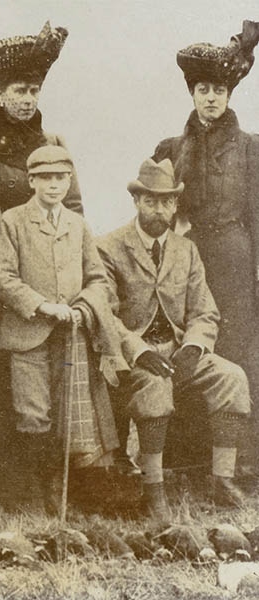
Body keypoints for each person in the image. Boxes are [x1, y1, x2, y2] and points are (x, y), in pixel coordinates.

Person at [97, 158, 250, 519]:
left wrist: (195, 346)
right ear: (136, 201)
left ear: (176, 205)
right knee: (154, 389)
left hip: (180, 350)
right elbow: (106, 313)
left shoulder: (186, 249)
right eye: (151, 201)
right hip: (132, 356)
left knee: (232, 377)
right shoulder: (109, 246)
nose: (159, 209)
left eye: (167, 201)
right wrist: (138, 350)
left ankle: (220, 480)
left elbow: (204, 311)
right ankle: (154, 489)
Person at [152, 20, 259, 477]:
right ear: (191, 93)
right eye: (202, 88)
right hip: (188, 258)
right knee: (186, 346)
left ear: (229, 94)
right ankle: (186, 460)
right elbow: (157, 211)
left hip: (234, 258)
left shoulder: (252, 150)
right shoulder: (172, 147)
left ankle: (242, 465)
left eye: (218, 89)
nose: (210, 97)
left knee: (238, 351)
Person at [0, 145, 119, 514]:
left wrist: (82, 307)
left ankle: (58, 494)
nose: (53, 185)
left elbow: (97, 278)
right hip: (27, 333)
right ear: (31, 181)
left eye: (60, 178)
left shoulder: (77, 225)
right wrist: (42, 305)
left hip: (70, 336)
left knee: (67, 415)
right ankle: (30, 495)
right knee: (33, 413)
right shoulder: (12, 221)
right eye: (45, 178)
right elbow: (3, 276)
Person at [0, 21, 83, 215]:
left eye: (34, 91)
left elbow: (73, 209)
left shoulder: (54, 144)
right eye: (20, 91)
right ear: (0, 94)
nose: (29, 100)